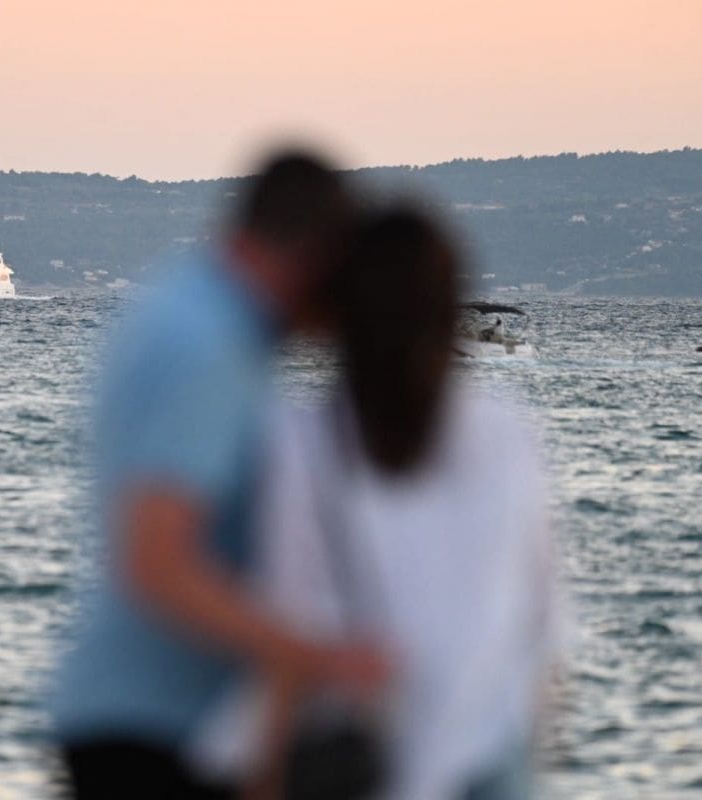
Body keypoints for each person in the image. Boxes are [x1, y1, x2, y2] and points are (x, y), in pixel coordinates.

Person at [47, 152, 390, 799]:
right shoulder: (212, 346)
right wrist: (315, 657)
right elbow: (157, 560)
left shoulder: (179, 300)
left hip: (128, 713)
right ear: (314, 258)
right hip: (156, 732)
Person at [221, 208, 564, 799]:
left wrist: (264, 773)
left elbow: (287, 623)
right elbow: (540, 623)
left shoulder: (300, 438)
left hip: (362, 745)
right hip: (488, 748)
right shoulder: (506, 432)